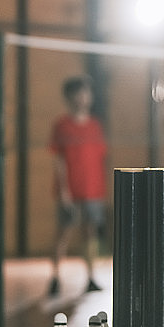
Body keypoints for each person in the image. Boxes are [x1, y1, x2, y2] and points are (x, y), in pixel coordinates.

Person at [48, 75, 108, 296]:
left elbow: (100, 158)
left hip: (93, 190)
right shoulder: (62, 125)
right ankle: (54, 278)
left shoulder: (95, 125)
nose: (83, 97)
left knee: (90, 233)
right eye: (79, 92)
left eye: (86, 92)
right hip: (70, 191)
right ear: (69, 97)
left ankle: (91, 277)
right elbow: (58, 159)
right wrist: (64, 190)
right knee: (63, 233)